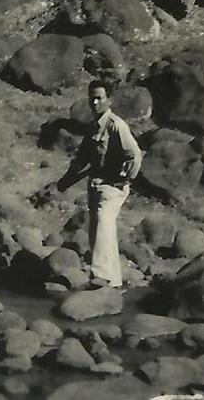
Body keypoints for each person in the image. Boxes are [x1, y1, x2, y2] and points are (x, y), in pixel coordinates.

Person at [35, 79, 142, 288]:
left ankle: (101, 274)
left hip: (113, 187)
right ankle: (113, 280)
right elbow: (81, 160)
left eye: (99, 98)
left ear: (109, 100)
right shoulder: (93, 127)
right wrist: (63, 182)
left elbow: (134, 155)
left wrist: (124, 178)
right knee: (98, 229)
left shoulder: (116, 126)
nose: (94, 102)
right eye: (92, 98)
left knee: (104, 222)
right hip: (95, 185)